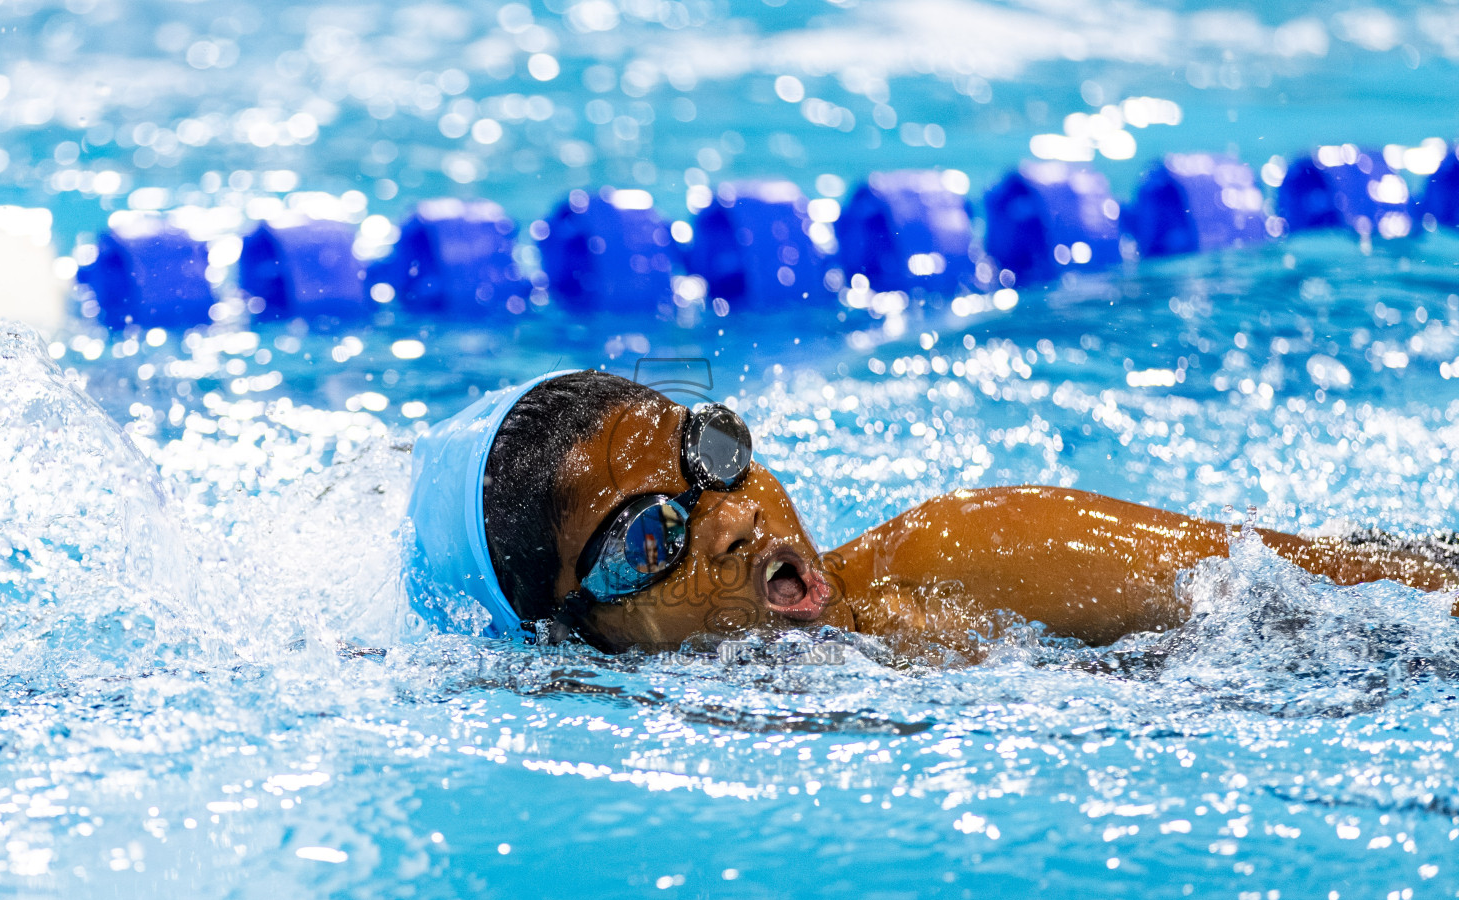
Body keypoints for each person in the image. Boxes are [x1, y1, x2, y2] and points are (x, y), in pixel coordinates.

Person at [405, 369, 1459, 656]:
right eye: (647, 538)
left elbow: (1356, 587)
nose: (726, 519)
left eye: (712, 455)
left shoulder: (966, 555)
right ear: (578, 630)